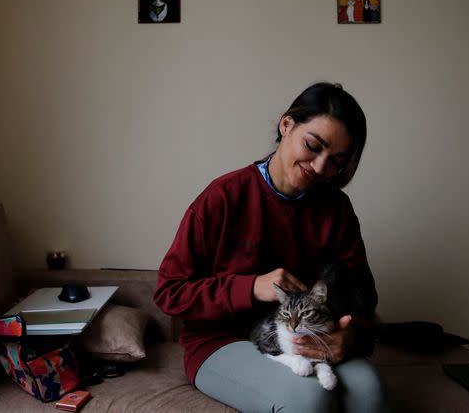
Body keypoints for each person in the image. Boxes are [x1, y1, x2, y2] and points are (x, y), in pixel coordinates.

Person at [154, 82, 389, 412]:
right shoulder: (223, 197)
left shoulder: (336, 209)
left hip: (309, 332)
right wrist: (249, 287)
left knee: (370, 391)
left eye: (335, 161)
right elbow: (169, 292)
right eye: (313, 145)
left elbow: (363, 296)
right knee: (309, 400)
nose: (321, 168)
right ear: (286, 124)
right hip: (222, 341)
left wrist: (351, 337)